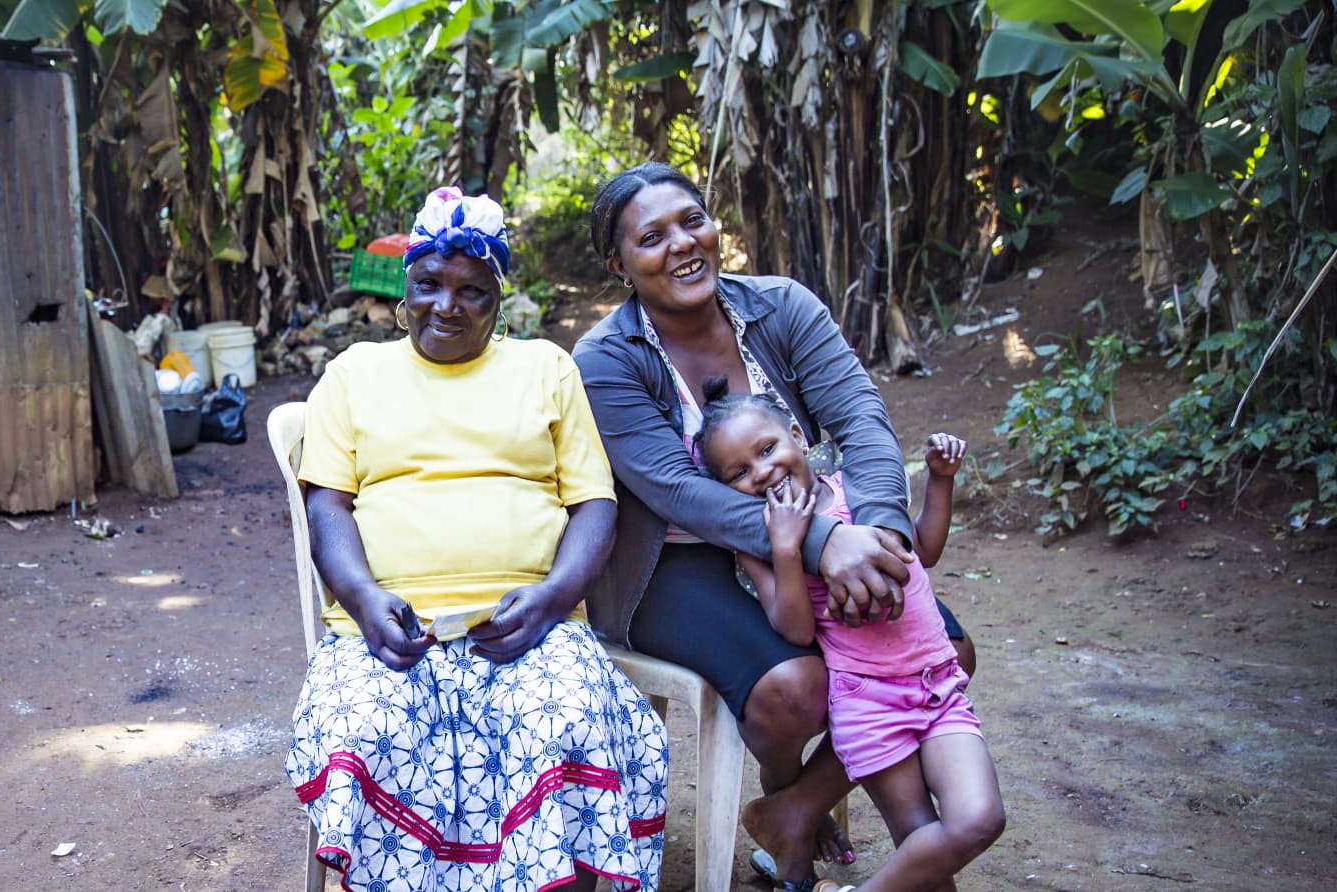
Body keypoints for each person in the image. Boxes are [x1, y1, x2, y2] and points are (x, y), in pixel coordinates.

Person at [570, 162, 976, 889]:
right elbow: (680, 493)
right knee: (797, 687)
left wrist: (879, 531)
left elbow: (862, 419)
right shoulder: (605, 361)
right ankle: (793, 802)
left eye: (692, 220)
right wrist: (826, 543)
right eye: (652, 237)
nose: (682, 244)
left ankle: (794, 809)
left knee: (945, 645)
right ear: (619, 264)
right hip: (671, 559)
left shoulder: (780, 306)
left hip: (807, 528)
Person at [285, 187, 670, 892]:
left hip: (530, 626)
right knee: (366, 727)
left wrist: (555, 597)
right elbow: (328, 509)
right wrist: (367, 600)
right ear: (406, 286)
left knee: (569, 716)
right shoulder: (352, 376)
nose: (446, 306)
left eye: (472, 292)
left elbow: (593, 505)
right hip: (384, 630)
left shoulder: (545, 369)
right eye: (428, 285)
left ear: (500, 300)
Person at [695, 378, 1004, 891]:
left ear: (798, 434)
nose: (763, 472)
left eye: (768, 449)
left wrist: (940, 480)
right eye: (740, 473)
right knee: (923, 854)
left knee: (980, 819)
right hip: (869, 704)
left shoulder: (856, 491)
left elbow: (922, 549)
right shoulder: (763, 540)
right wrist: (790, 550)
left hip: (938, 687)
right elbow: (794, 628)